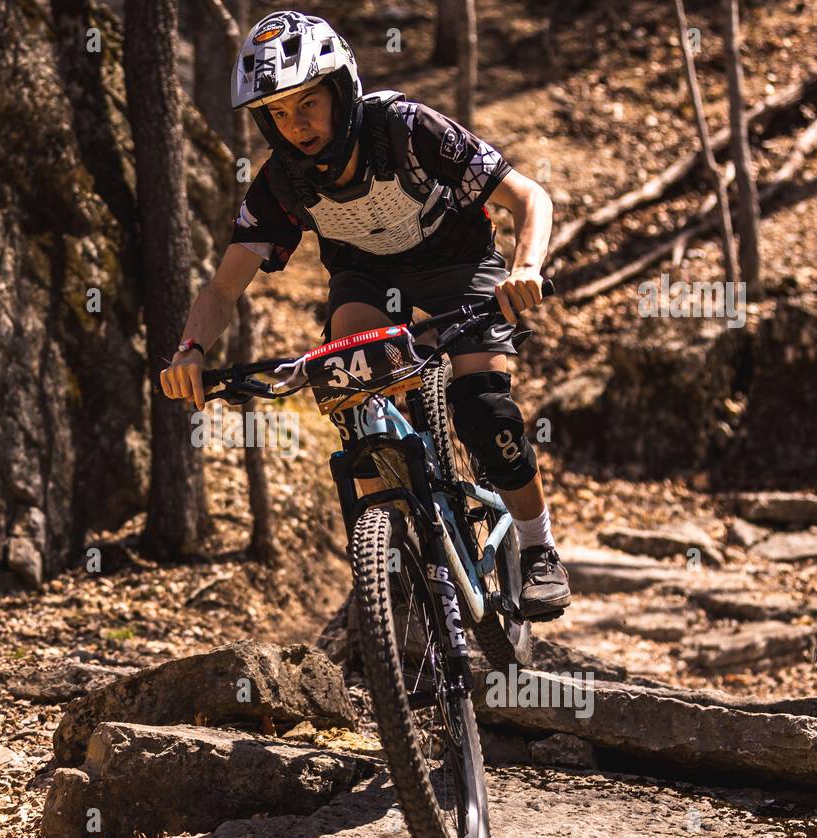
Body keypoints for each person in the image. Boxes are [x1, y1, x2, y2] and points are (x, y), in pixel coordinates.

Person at [158, 10, 570, 620]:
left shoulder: (405, 128)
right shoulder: (281, 184)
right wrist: (190, 350)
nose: (296, 126)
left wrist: (527, 268)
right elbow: (222, 290)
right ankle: (393, 569)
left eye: (308, 104)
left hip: (460, 266)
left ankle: (539, 550)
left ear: (342, 90)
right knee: (354, 401)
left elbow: (527, 196)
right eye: (278, 113)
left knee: (483, 408)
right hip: (369, 281)